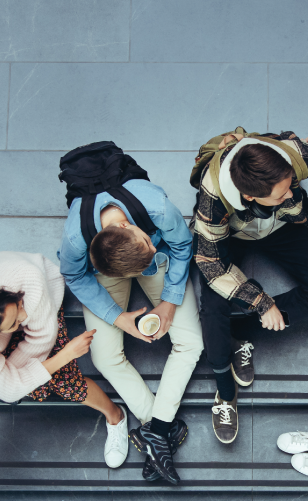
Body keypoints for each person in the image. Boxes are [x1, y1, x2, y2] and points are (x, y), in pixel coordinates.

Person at [192, 129, 308, 443]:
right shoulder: (213, 196)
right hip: (231, 234)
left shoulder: (283, 156)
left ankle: (241, 335)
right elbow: (211, 263)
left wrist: (303, 154)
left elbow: (292, 144)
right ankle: (225, 392)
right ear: (249, 196)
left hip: (279, 226)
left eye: (290, 186)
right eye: (281, 192)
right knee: (213, 308)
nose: (290, 194)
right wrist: (261, 301)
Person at [60, 179, 203, 485]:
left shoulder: (158, 211)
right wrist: (118, 317)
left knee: (190, 343)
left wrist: (169, 300)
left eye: (145, 241)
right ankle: (160, 431)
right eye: (147, 243)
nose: (150, 245)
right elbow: (73, 274)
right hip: (105, 274)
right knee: (105, 358)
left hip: (162, 262)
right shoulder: (75, 239)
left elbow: (180, 245)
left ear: (127, 224)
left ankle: (157, 433)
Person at [0, 252, 126, 466]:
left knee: (61, 381)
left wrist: (64, 355)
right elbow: (7, 390)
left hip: (43, 301)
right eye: (13, 324)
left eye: (17, 309)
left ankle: (116, 416)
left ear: (3, 293)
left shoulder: (27, 281)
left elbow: (41, 340)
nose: (22, 319)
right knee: (35, 383)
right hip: (12, 322)